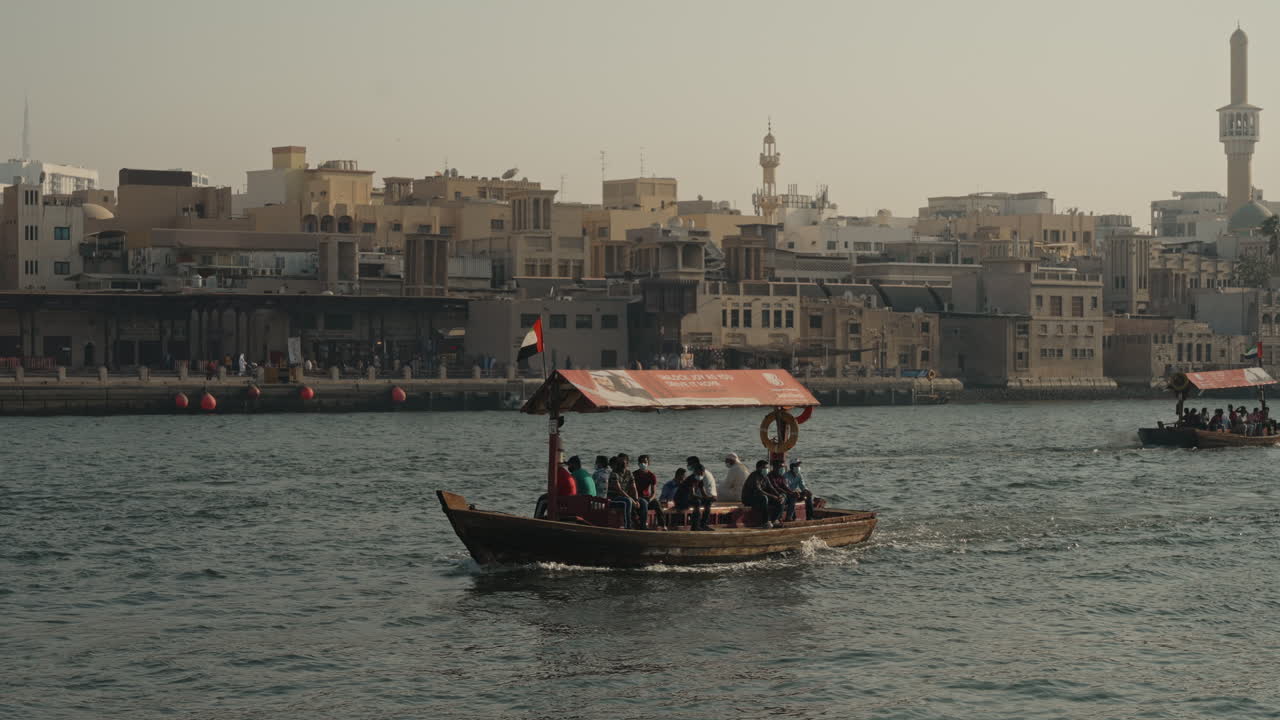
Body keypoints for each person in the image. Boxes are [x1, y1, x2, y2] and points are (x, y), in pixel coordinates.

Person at [607, 456, 647, 530]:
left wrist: (636, 500)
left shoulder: (629, 473)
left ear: (627, 463)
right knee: (627, 501)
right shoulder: (614, 473)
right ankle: (627, 526)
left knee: (643, 502)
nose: (621, 465)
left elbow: (634, 488)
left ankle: (642, 525)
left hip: (625, 497)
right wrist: (632, 500)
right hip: (614, 498)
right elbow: (619, 490)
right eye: (619, 463)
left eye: (623, 463)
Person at [741, 460, 783, 529]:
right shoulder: (754, 476)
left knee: (780, 499)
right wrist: (773, 496)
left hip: (759, 497)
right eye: (764, 468)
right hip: (749, 498)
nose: (766, 469)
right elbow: (759, 490)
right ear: (758, 468)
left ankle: (774, 520)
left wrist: (779, 495)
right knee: (764, 498)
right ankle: (765, 522)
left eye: (767, 468)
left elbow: (771, 487)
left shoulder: (765, 476)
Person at [673, 466, 712, 530]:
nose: (700, 475)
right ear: (695, 472)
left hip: (689, 499)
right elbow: (692, 495)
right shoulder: (690, 479)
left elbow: (703, 493)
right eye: (699, 473)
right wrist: (701, 498)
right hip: (680, 500)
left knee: (708, 502)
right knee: (697, 502)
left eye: (702, 473)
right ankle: (695, 526)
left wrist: (709, 498)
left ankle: (703, 525)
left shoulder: (700, 479)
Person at [632, 454, 665, 529]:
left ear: (648, 463)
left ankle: (662, 525)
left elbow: (653, 492)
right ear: (638, 464)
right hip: (637, 497)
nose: (643, 464)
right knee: (643, 503)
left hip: (647, 497)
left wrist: (650, 499)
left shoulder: (651, 475)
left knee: (657, 504)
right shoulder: (634, 474)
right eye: (641, 462)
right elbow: (631, 489)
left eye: (645, 462)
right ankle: (643, 525)